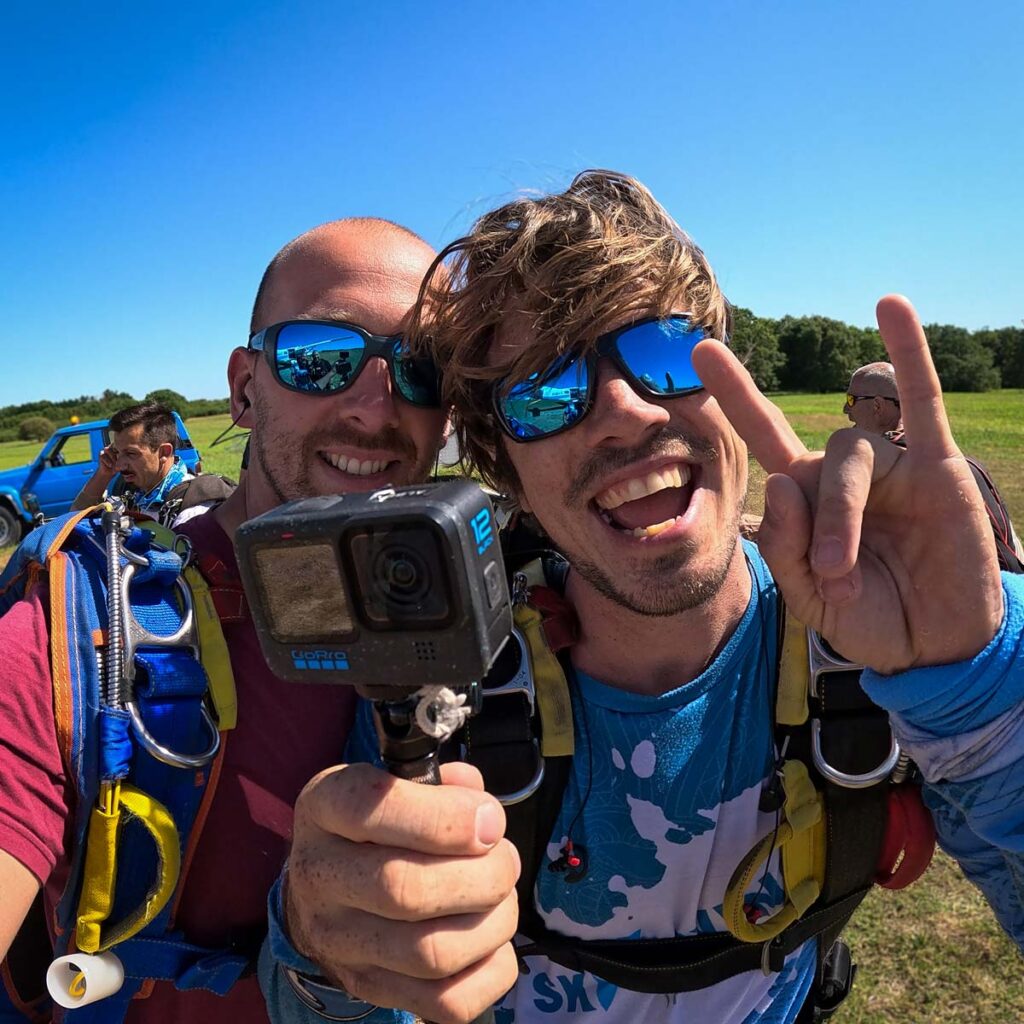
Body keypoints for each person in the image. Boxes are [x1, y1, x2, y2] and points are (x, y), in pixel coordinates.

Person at [265, 172, 1024, 1024]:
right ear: (499, 465)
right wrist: (326, 961)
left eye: (663, 352)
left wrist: (980, 678)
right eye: (545, 394)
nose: (624, 412)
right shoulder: (446, 696)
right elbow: (344, 993)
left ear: (732, 378)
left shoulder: (876, 645)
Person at [0, 217, 453, 1022]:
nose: (376, 406)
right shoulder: (93, 632)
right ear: (245, 387)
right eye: (321, 358)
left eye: (423, 369)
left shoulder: (484, 619)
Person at [846, 361, 1024, 571]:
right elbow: (1012, 545)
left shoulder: (883, 474)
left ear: (877, 406)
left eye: (851, 400)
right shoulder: (969, 464)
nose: (845, 410)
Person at [71, 401, 196, 521]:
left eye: (130, 453)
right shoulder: (139, 496)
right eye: (117, 452)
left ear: (163, 452)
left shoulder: (190, 509)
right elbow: (72, 522)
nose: (119, 465)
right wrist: (103, 474)